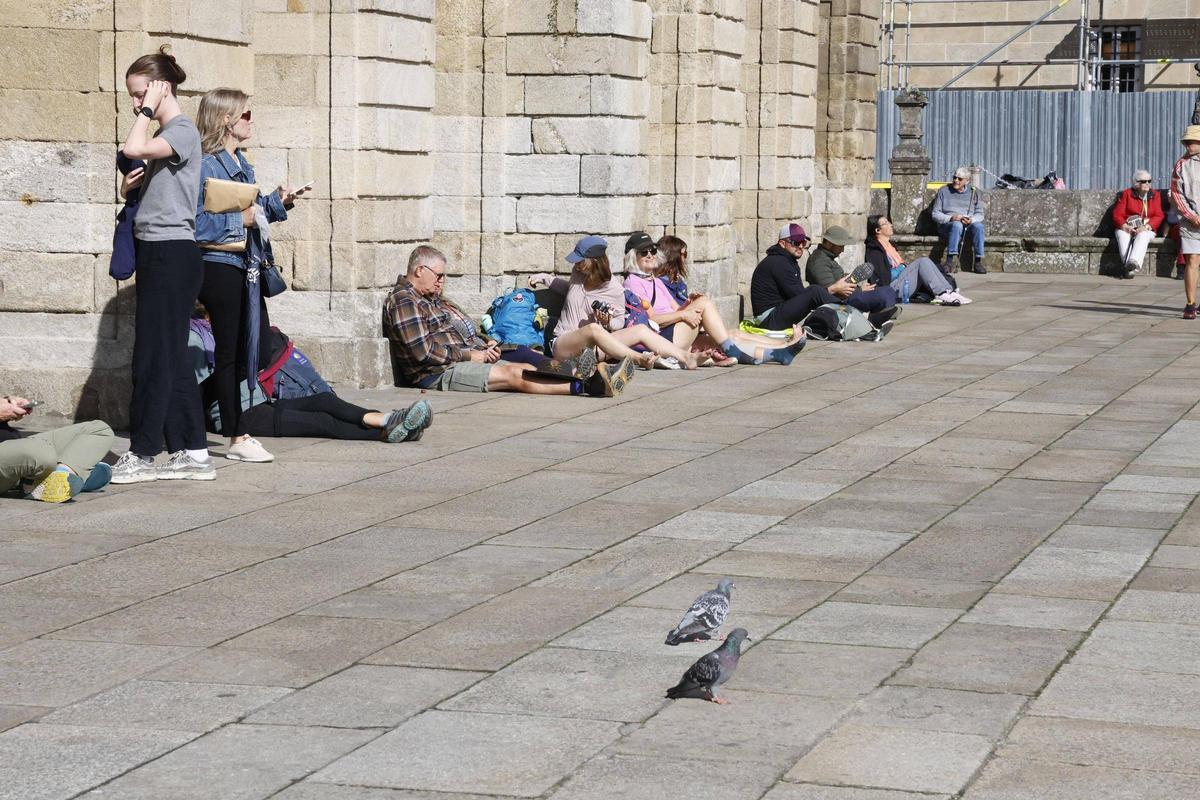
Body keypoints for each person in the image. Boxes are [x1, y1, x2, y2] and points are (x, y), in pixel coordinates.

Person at [194, 88, 311, 463]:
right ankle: (237, 435)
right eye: (245, 114)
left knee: (255, 349)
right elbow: (195, 224)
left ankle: (198, 406)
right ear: (226, 119)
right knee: (231, 353)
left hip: (246, 267)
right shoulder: (205, 165)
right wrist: (239, 220)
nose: (251, 120)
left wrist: (278, 202)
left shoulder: (241, 163)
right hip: (218, 266)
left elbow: (253, 215)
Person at [112, 47, 212, 485]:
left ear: (161, 88)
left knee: (152, 358)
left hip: (171, 253)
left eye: (139, 94)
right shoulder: (169, 134)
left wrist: (147, 109)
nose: (136, 103)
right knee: (170, 356)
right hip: (161, 251)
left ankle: (142, 453)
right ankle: (193, 452)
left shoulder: (182, 130)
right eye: (134, 97)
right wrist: (127, 189)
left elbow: (132, 146)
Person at [385, 245, 635, 397]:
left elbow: (456, 333)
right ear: (420, 270)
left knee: (528, 359)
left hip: (470, 353)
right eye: (438, 276)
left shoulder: (431, 298)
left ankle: (585, 373)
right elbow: (423, 352)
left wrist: (484, 342)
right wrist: (470, 355)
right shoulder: (405, 301)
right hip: (437, 372)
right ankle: (588, 387)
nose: (441, 282)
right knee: (515, 373)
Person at [189, 318, 432, 443]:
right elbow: (197, 392)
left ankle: (389, 419)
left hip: (258, 398)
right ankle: (390, 433)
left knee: (324, 400)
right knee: (322, 423)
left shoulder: (217, 329)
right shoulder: (194, 337)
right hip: (239, 414)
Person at [629, 233, 807, 365]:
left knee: (728, 335)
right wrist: (684, 314)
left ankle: (779, 352)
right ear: (632, 257)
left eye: (653, 250)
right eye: (644, 252)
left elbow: (677, 309)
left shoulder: (655, 281)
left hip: (675, 332)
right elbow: (650, 321)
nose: (650, 255)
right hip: (661, 338)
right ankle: (743, 350)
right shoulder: (633, 283)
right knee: (719, 323)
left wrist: (688, 304)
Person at [528, 235, 694, 370]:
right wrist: (544, 278)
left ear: (594, 262)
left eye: (580, 261)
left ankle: (685, 356)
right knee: (593, 329)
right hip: (562, 344)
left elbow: (619, 322)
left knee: (641, 330)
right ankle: (639, 359)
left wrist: (607, 322)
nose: (576, 265)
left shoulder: (615, 289)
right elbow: (570, 289)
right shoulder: (578, 274)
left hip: (593, 349)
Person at [0, 395, 115, 503]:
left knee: (99, 429)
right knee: (39, 452)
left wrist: (8, 401)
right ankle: (66, 476)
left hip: (13, 444)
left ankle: (59, 475)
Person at [805, 226, 901, 327]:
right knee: (884, 294)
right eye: (841, 246)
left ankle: (882, 315)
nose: (842, 250)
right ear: (830, 243)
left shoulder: (827, 258)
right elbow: (829, 292)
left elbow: (839, 284)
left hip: (848, 296)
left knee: (887, 290)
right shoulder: (819, 261)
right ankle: (880, 317)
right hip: (841, 302)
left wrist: (858, 288)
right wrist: (859, 290)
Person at [864, 215, 971, 305]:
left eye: (889, 222)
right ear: (877, 230)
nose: (890, 225)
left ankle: (950, 291)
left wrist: (903, 268)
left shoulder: (890, 246)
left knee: (926, 261)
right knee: (921, 262)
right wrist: (902, 268)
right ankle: (941, 293)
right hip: (892, 289)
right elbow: (884, 278)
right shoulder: (875, 251)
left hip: (901, 282)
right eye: (886, 223)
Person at [749, 223, 837, 330]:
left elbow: (798, 296)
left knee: (815, 292)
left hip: (774, 314)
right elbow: (799, 295)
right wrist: (830, 290)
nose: (801, 246)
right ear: (782, 243)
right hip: (768, 319)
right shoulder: (779, 262)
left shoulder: (788, 261)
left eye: (803, 242)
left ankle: (843, 309)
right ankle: (845, 308)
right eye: (796, 242)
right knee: (814, 291)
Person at [932, 167, 986, 274]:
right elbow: (935, 214)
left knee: (979, 227)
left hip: (967, 224)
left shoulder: (974, 192)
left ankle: (978, 261)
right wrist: (951, 218)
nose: (956, 180)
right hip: (948, 224)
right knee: (957, 225)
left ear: (967, 181)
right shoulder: (943, 191)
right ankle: (949, 261)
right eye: (954, 178)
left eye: (960, 179)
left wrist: (972, 220)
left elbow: (980, 213)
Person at [1112, 170, 1165, 280]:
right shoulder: (1127, 194)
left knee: (1143, 235)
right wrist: (1125, 227)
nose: (1147, 183)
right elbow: (1117, 214)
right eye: (1144, 181)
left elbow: (1159, 215)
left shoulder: (1155, 195)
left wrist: (1146, 227)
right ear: (1136, 183)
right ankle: (1130, 268)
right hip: (1127, 226)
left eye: (1149, 181)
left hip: (1146, 227)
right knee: (1122, 236)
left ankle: (1131, 265)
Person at [1171, 125, 1200, 318]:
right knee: (1192, 260)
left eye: (1191, 142)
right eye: (1186, 142)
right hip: (1191, 222)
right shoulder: (1181, 164)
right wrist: (1191, 216)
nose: (1187, 145)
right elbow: (1176, 193)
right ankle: (1190, 304)